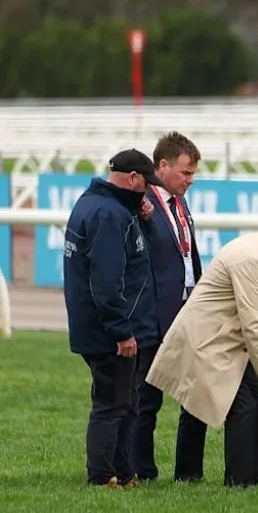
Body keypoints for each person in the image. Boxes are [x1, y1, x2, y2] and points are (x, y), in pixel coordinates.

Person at [147, 209, 258, 487]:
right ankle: (238, 482)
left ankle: (247, 477)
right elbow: (253, 323)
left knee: (257, 402)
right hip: (203, 340)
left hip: (224, 341)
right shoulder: (253, 258)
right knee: (241, 406)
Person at [63, 149, 163, 488]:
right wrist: (121, 331)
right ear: (132, 178)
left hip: (104, 326)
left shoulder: (105, 205)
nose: (148, 192)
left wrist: (145, 221)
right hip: (108, 331)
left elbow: (138, 257)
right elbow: (106, 282)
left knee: (127, 402)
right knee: (112, 404)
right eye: (147, 185)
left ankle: (124, 472)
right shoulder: (109, 214)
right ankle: (102, 475)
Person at [133, 131, 204, 482]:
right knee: (146, 400)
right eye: (185, 172)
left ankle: (188, 473)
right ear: (162, 166)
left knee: (194, 395)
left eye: (193, 174)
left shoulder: (179, 201)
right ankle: (141, 470)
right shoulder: (140, 202)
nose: (190, 180)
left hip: (186, 312)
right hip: (152, 318)